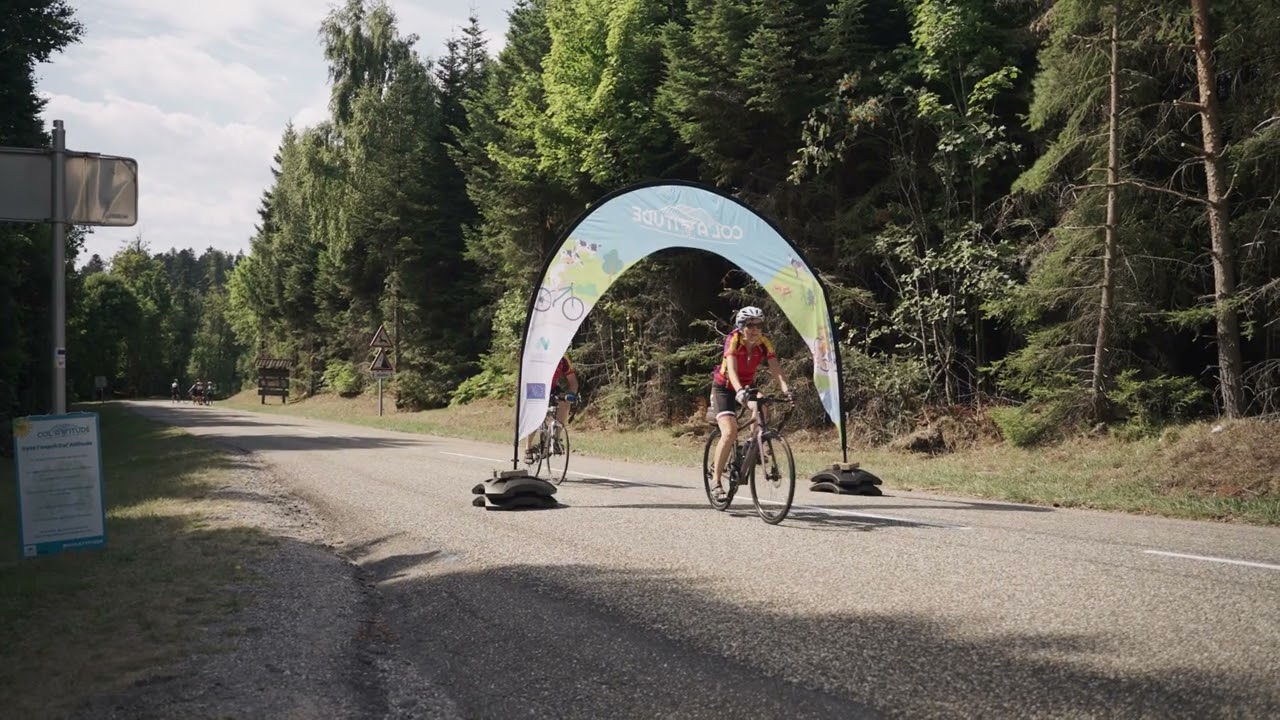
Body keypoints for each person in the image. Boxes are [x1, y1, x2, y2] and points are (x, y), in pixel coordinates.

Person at [708, 306, 793, 498]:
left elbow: (775, 368)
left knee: (762, 405)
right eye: (749, 325)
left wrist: (786, 389)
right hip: (725, 387)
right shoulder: (734, 340)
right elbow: (731, 368)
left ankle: (750, 446)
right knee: (729, 432)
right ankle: (716, 482)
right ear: (741, 326)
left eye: (759, 325)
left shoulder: (764, 343)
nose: (754, 329)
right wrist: (738, 391)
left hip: (746, 386)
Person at [525, 354, 580, 463]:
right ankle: (528, 448)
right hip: (536, 384)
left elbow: (573, 382)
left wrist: (570, 395)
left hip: (552, 387)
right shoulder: (539, 354)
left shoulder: (563, 359)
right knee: (536, 414)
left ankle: (556, 440)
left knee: (565, 403)